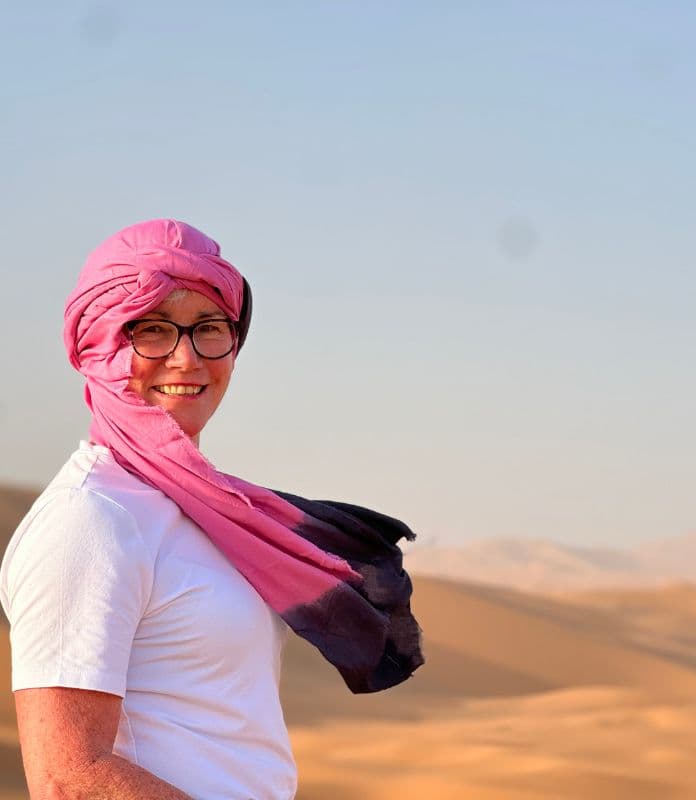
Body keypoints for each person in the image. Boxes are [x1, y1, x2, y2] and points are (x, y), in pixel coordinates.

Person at [0, 219, 423, 799]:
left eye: (208, 329)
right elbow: (70, 779)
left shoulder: (207, 511)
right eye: (151, 331)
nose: (186, 359)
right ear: (99, 349)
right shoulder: (90, 521)